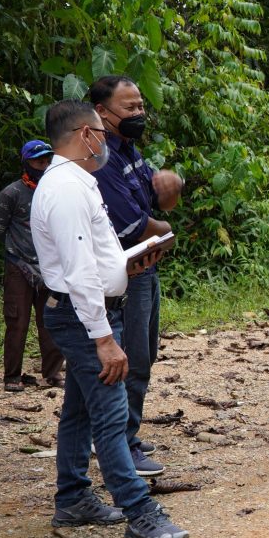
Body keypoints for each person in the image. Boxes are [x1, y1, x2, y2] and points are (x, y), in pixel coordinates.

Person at [31, 99, 188, 538]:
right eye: (100, 132)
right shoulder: (66, 189)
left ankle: (73, 497)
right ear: (84, 135)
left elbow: (91, 259)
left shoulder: (77, 183)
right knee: (111, 414)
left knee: (80, 411)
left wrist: (127, 265)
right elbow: (79, 275)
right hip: (83, 318)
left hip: (84, 311)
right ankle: (140, 510)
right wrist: (104, 339)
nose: (105, 141)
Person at [90, 75, 183, 477]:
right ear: (101, 112)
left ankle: (125, 434)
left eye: (141, 106)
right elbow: (136, 225)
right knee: (131, 358)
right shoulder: (102, 159)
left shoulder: (130, 150)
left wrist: (172, 187)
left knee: (144, 354)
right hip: (125, 274)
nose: (139, 114)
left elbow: (163, 203)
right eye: (129, 108)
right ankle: (120, 445)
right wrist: (163, 229)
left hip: (147, 269)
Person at [0, 140, 65, 392]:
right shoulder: (11, 193)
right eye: (37, 161)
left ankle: (53, 374)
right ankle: (12, 377)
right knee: (17, 321)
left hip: (51, 267)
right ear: (26, 163)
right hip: (19, 267)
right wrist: (20, 253)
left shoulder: (57, 192)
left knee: (51, 321)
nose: (43, 166)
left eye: (46, 161)